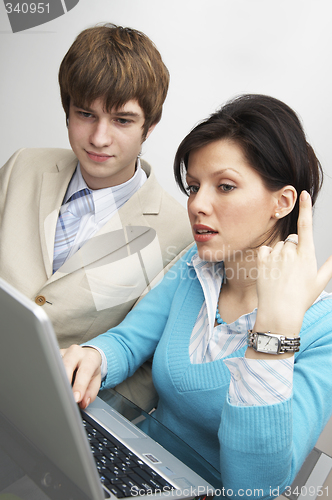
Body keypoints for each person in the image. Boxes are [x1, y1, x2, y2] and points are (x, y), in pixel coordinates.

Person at [62, 94, 332, 498]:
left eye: (224, 186)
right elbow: (129, 339)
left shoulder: (323, 329)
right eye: (193, 187)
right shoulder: (195, 264)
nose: (197, 205)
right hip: (132, 466)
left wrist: (273, 336)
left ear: (283, 202)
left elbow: (256, 488)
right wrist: (94, 357)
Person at [0, 24, 193, 410]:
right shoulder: (24, 164)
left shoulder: (182, 235)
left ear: (149, 128)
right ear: (67, 110)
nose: (99, 138)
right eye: (85, 114)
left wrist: (81, 420)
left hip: (53, 413)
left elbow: (145, 367)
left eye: (122, 121)